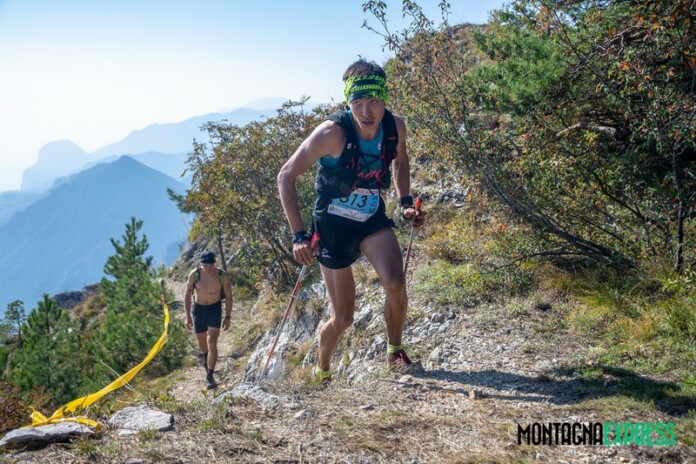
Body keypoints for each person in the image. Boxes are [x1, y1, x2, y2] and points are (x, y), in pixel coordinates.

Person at [277, 59, 426, 382]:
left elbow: (400, 162)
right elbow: (286, 176)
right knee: (343, 317)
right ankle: (322, 367)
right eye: (357, 102)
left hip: (370, 217)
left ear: (384, 99)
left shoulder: (395, 127)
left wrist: (405, 203)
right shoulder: (331, 133)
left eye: (373, 101)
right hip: (332, 226)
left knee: (396, 283)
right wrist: (299, 236)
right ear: (348, 101)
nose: (366, 111)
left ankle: (394, 350)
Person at [184, 250, 233, 389]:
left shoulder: (222, 275)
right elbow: (187, 294)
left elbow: (229, 296)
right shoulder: (195, 274)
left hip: (214, 309)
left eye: (211, 265)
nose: (209, 268)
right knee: (202, 343)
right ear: (201, 264)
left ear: (214, 264)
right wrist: (187, 316)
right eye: (206, 265)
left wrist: (227, 317)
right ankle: (206, 357)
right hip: (199, 309)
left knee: (212, 342)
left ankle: (209, 376)